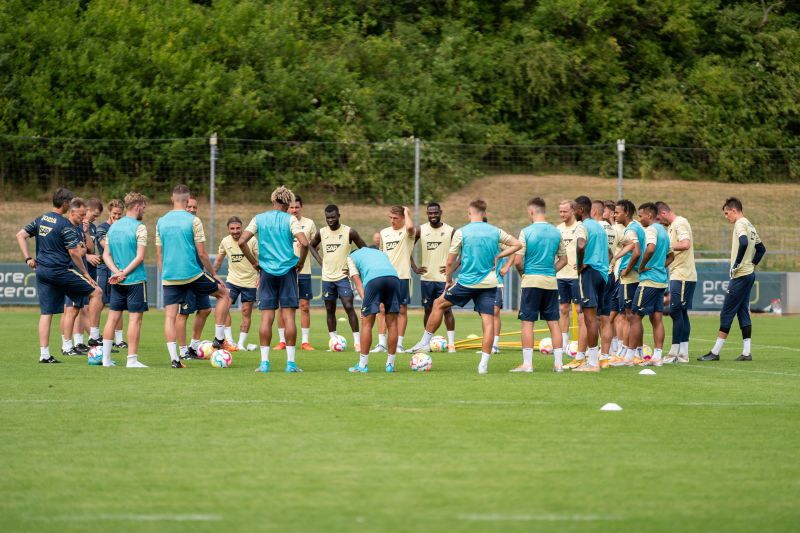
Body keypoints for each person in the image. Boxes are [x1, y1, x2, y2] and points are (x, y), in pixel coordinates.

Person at [409, 200, 521, 374]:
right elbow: (517, 244)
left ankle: (424, 342)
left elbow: (450, 261)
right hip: (489, 283)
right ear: (483, 213)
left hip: (467, 282)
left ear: (470, 213)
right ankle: (483, 364)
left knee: (438, 304)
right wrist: (499, 256)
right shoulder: (495, 231)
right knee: (488, 320)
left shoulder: (461, 232)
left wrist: (447, 280)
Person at [16, 188, 101, 363]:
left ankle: (44, 355)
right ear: (65, 204)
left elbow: (20, 235)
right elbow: (75, 253)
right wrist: (86, 274)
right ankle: (94, 336)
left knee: (46, 314)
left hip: (42, 271)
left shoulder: (41, 219)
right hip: (59, 271)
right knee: (97, 292)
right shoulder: (65, 225)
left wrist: (28, 258)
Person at [156, 185, 231, 368]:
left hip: (169, 276)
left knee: (170, 317)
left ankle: (175, 360)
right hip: (192, 273)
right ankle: (219, 338)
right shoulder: (193, 221)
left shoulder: (161, 221)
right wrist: (214, 274)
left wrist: (163, 276)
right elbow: (203, 254)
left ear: (172, 199)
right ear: (187, 199)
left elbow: (159, 255)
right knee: (224, 294)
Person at [239, 186, 310, 373]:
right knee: (288, 317)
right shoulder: (291, 219)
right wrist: (300, 262)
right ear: (288, 204)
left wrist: (255, 263)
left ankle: (264, 363)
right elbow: (304, 242)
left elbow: (241, 241)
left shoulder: (259, 218)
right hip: (287, 271)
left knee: (267, 317)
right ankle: (291, 364)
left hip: (267, 273)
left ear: (273, 202)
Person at [699, 198, 766, 361]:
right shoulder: (750, 225)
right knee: (743, 311)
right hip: (749, 274)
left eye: (726, 213)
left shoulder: (740, 224)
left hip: (741, 275)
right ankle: (746, 352)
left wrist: (737, 263)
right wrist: (752, 263)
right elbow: (761, 249)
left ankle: (715, 352)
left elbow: (743, 242)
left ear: (734, 210)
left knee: (727, 312)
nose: (726, 217)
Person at [510, 197, 567, 373]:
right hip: (550, 282)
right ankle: (558, 365)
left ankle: (527, 364)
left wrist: (524, 275)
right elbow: (564, 260)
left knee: (528, 322)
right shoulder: (557, 232)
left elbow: (518, 261)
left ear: (531, 212)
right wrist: (550, 271)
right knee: (554, 322)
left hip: (531, 282)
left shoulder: (526, 232)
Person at [307, 204, 367, 351]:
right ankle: (334, 340)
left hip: (343, 277)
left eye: (333, 217)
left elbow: (364, 249)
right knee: (330, 309)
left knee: (348, 306)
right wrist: (320, 261)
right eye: (328, 218)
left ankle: (357, 342)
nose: (330, 220)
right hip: (327, 278)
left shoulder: (349, 232)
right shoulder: (322, 232)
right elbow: (311, 246)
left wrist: (355, 265)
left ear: (339, 216)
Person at [100, 192, 149, 368]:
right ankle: (132, 360)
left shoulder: (113, 227)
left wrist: (116, 273)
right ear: (137, 206)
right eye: (143, 206)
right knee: (135, 320)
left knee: (112, 318)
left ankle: (105, 360)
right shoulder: (140, 227)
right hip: (135, 280)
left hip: (117, 281)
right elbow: (140, 257)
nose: (144, 210)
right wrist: (124, 273)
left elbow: (106, 255)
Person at [345, 247, 402, 373]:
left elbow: (358, 284)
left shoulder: (351, 257)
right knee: (392, 323)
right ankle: (390, 365)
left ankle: (362, 365)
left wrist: (364, 306)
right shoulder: (379, 253)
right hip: (394, 278)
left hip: (374, 280)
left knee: (367, 324)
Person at [571, 196, 610, 372]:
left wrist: (581, 265)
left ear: (581, 210)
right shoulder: (599, 227)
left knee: (589, 318)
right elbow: (609, 253)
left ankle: (593, 363)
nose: (572, 212)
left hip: (590, 274)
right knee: (600, 318)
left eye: (574, 209)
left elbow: (580, 245)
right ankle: (599, 359)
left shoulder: (582, 226)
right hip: (603, 274)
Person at [656, 201, 697, 363]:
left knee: (675, 311)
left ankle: (675, 353)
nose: (660, 223)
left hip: (683, 275)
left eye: (659, 219)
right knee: (680, 312)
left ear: (664, 213)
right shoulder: (672, 226)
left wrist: (666, 246)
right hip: (678, 274)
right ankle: (683, 353)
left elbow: (686, 244)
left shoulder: (680, 223)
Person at [412, 202, 456, 352]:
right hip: (427, 279)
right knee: (427, 310)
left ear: (440, 212)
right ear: (427, 214)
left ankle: (451, 345)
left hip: (444, 280)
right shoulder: (421, 230)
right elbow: (406, 248)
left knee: (447, 310)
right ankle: (426, 344)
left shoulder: (450, 231)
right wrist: (414, 267)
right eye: (430, 213)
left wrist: (453, 267)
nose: (433, 216)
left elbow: (465, 251)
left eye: (435, 213)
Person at [371, 206, 415, 354]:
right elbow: (381, 254)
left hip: (402, 276)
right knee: (382, 309)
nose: (392, 221)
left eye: (395, 218)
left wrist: (407, 212)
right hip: (385, 276)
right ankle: (382, 343)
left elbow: (409, 226)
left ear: (402, 218)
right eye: (390, 217)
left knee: (401, 310)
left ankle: (399, 344)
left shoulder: (408, 232)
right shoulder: (384, 233)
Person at [275, 195, 317, 350]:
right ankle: (282, 341)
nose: (293, 210)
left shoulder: (309, 224)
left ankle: (305, 341)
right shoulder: (283, 222)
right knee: (282, 305)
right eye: (291, 207)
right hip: (285, 270)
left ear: (301, 207)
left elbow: (314, 244)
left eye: (296, 207)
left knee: (304, 305)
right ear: (287, 207)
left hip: (304, 270)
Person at [632, 202, 670, 366]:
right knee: (656, 319)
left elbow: (650, 249)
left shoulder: (652, 230)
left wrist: (642, 266)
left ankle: (632, 355)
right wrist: (660, 266)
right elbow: (671, 256)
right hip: (661, 281)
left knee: (634, 316)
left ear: (649, 215)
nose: (639, 219)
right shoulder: (664, 231)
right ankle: (657, 357)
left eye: (640, 216)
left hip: (648, 281)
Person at [610, 199, 646, 367]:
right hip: (636, 278)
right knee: (634, 317)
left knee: (628, 317)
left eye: (617, 212)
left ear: (626, 213)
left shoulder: (631, 229)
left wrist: (627, 269)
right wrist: (616, 257)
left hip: (630, 278)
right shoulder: (637, 227)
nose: (614, 215)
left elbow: (637, 252)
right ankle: (636, 352)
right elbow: (632, 247)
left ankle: (627, 355)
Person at [214, 217, 258, 350]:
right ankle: (228, 341)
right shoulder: (225, 241)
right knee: (224, 308)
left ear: (242, 228)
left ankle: (241, 344)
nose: (235, 231)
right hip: (232, 281)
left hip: (250, 282)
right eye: (232, 228)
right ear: (228, 229)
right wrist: (211, 273)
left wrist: (261, 275)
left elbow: (261, 259)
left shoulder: (252, 240)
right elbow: (218, 261)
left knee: (246, 311)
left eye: (238, 228)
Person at [60, 198, 96, 355]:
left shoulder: (79, 228)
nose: (83, 218)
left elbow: (89, 249)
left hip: (79, 272)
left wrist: (86, 233)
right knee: (71, 310)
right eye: (81, 215)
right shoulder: (68, 228)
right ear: (72, 212)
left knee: (75, 309)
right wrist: (81, 250)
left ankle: (73, 344)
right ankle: (67, 346)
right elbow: (78, 252)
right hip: (73, 272)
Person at [557, 200, 586, 366]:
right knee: (563, 308)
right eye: (560, 212)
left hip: (576, 276)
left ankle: (583, 346)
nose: (562, 215)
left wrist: (581, 264)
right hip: (561, 275)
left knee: (579, 309)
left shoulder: (580, 227)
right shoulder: (558, 230)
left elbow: (584, 247)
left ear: (573, 211)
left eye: (565, 212)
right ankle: (563, 343)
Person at [95, 199, 125, 351]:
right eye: (115, 214)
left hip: (118, 270)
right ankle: (94, 336)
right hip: (104, 269)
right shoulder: (102, 228)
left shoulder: (122, 227)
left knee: (117, 304)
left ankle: (119, 339)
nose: (117, 217)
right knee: (99, 303)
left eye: (120, 214)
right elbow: (104, 246)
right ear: (109, 212)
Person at [605, 200, 626, 362]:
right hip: (617, 274)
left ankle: (620, 349)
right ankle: (614, 348)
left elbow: (609, 252)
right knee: (613, 315)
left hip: (617, 274)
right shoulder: (618, 228)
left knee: (617, 315)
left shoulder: (616, 229)